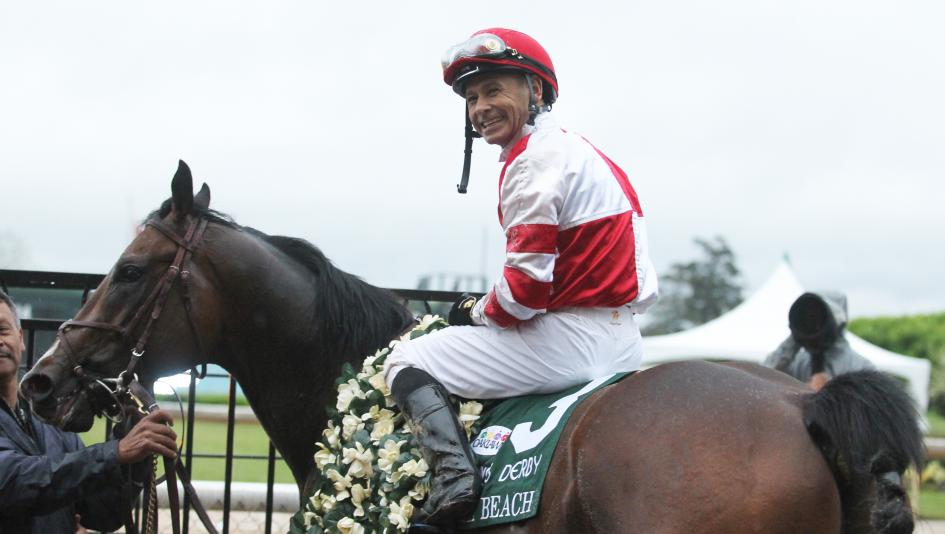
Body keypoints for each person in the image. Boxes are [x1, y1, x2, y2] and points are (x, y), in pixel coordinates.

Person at [382, 28, 658, 531]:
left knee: (409, 356)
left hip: (569, 342)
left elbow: (523, 296)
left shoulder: (533, 160)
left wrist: (475, 310)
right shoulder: (582, 151)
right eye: (471, 98)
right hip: (623, 340)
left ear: (535, 92)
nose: (480, 108)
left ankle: (454, 483)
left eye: (493, 91)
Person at [0, 289, 179, 533]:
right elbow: (17, 482)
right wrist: (116, 452)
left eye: (3, 330)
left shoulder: (47, 419)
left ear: (20, 338)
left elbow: (99, 514)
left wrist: (135, 460)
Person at [763, 291, 875, 390]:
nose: (812, 321)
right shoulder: (797, 363)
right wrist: (795, 337)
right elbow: (764, 376)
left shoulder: (862, 368)